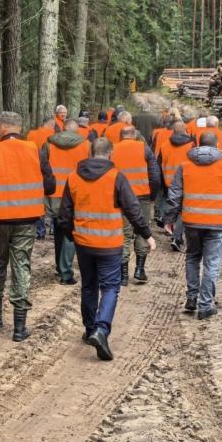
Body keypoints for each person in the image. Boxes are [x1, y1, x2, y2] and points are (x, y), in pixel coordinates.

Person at [58, 138, 156, 361]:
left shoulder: (73, 177)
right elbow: (133, 210)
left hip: (84, 243)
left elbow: (64, 215)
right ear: (110, 153)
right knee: (110, 287)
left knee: (88, 286)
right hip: (110, 245)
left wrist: (72, 235)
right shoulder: (116, 177)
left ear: (90, 152)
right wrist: (147, 235)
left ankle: (90, 329)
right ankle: (101, 330)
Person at [0, 111, 56, 342]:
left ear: (1, 128)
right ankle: (19, 327)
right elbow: (50, 185)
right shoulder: (35, 149)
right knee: (21, 266)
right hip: (27, 220)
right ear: (19, 127)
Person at [164, 132, 222, 320]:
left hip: (191, 222)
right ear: (217, 145)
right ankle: (205, 305)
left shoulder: (185, 165)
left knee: (192, 257)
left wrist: (169, 219)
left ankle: (192, 297)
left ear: (198, 145)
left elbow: (174, 194)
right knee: (212, 263)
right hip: (217, 224)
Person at [111, 125, 161, 286]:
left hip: (120, 198)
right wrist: (152, 196)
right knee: (142, 231)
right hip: (142, 196)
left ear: (121, 136)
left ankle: (123, 275)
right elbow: (155, 176)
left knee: (124, 234)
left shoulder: (112, 150)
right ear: (134, 136)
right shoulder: (144, 149)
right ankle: (139, 270)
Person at [43, 119, 90, 285]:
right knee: (71, 232)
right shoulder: (86, 145)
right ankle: (65, 272)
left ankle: (60, 266)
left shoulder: (49, 145)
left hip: (55, 193)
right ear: (77, 131)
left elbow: (43, 169)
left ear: (62, 129)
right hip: (76, 193)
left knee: (58, 230)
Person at [158, 120, 195, 252]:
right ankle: (177, 237)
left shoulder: (164, 146)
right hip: (187, 181)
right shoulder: (191, 145)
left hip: (169, 182)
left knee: (173, 207)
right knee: (182, 210)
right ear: (185, 130)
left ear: (172, 131)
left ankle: (173, 231)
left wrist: (161, 185)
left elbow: (159, 165)